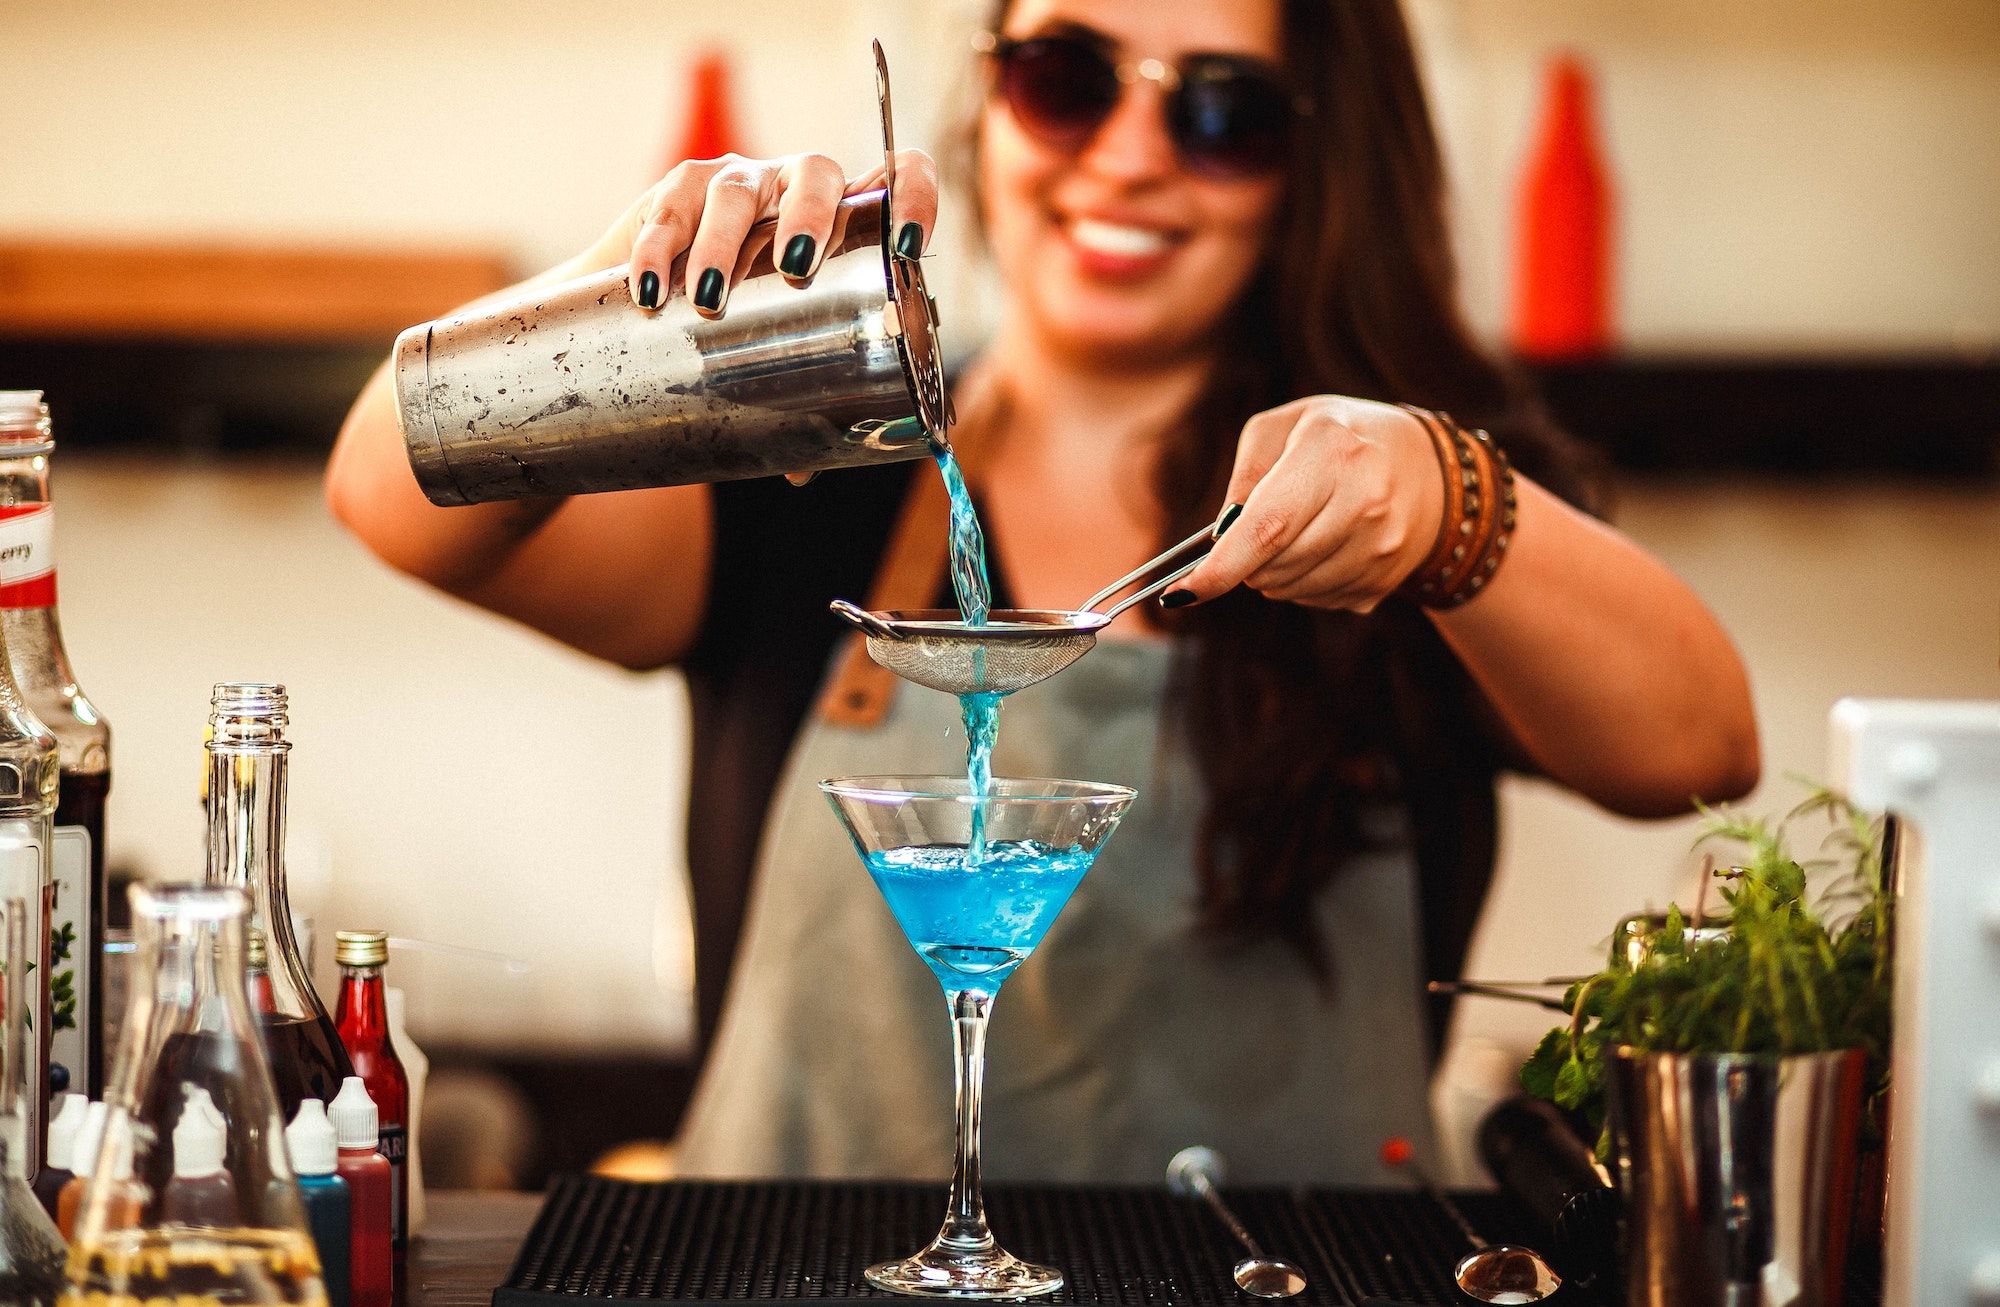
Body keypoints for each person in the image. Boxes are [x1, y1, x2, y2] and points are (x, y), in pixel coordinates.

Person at [328, 0, 1758, 1183]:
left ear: (1320, 167)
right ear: (988, 115)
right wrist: (633, 285)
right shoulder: (801, 472)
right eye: (1066, 80)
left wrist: (1458, 500)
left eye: (1221, 113)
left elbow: (1700, 749)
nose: (1131, 159)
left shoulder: (1398, 515)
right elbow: (389, 499)